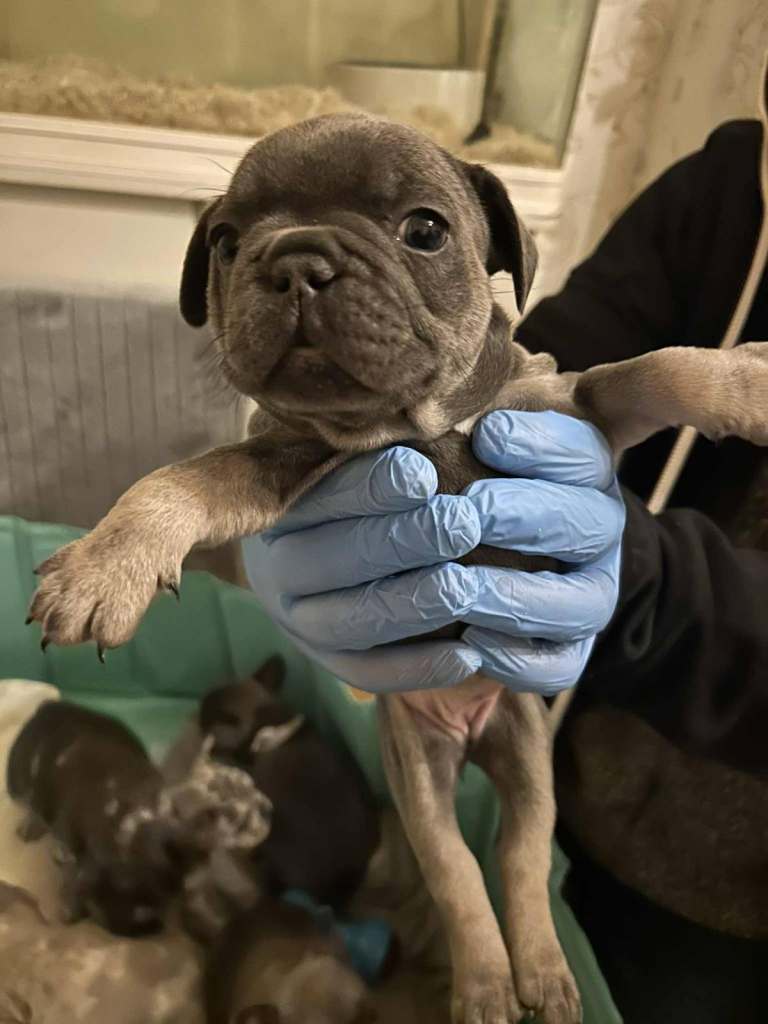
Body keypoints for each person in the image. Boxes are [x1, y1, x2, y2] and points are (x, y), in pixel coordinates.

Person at [242, 87, 768, 1022]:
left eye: (418, 228)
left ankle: (496, 950)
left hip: (734, 887)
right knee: (450, 842)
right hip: (565, 733)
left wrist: (637, 575)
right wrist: (283, 490)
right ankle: (481, 953)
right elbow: (540, 364)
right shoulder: (731, 184)